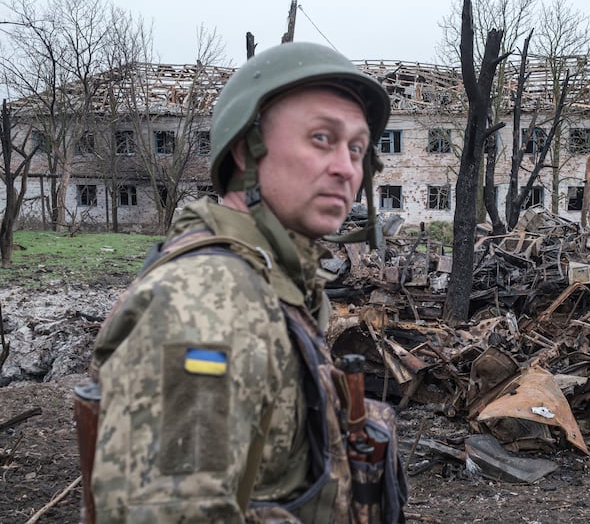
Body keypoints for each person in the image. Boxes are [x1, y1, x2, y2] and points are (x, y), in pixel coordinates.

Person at [86, 41, 405, 523]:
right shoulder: (209, 300)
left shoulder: (275, 281)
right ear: (244, 149)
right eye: (322, 138)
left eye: (357, 148)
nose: (346, 168)